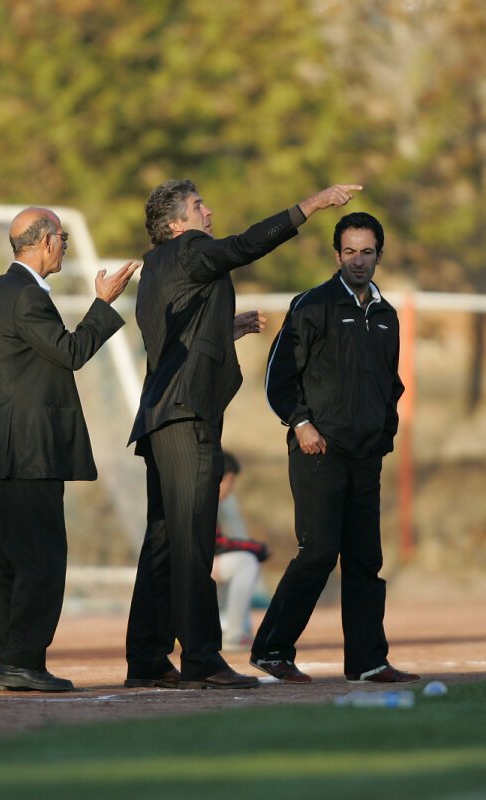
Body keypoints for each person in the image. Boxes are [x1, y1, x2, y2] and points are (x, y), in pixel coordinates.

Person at [124, 179, 361, 690]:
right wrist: (313, 204)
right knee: (193, 541)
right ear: (176, 225)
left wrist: (223, 329)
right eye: (197, 207)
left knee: (164, 541)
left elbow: (171, 338)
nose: (208, 212)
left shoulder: (156, 266)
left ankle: (147, 657)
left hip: (159, 418)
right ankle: (202, 658)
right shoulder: (191, 249)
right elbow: (247, 245)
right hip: (187, 417)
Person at [0, 207, 138, 692]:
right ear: (47, 241)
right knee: (40, 561)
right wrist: (103, 304)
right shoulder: (25, 295)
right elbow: (71, 352)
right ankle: (23, 661)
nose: (65, 247)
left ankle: (13, 661)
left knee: (10, 563)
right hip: (27, 453)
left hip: (2, 450)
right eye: (63, 239)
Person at [250, 211, 419, 685]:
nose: (358, 260)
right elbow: (278, 377)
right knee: (319, 552)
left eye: (367, 252)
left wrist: (383, 434)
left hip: (367, 456)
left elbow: (390, 383)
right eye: (349, 251)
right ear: (336, 254)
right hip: (317, 451)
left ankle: (368, 661)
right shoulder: (312, 305)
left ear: (379, 255)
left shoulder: (386, 316)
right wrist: (301, 424)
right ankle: (271, 649)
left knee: (365, 561)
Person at [211, 451, 270, 651]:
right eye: (229, 480)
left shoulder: (208, 502)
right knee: (245, 562)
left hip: (190, 566)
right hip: (183, 569)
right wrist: (256, 548)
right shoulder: (202, 501)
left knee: (242, 561)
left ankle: (221, 626)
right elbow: (217, 544)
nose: (231, 487)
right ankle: (234, 634)